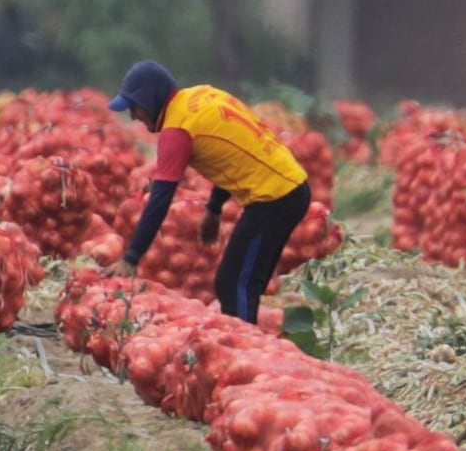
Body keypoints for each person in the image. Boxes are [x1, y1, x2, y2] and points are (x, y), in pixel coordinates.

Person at [115, 57, 316, 324]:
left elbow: (161, 198)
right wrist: (213, 209)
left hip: (274, 198)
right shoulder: (200, 96)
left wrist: (132, 257)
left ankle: (246, 354)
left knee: (235, 284)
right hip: (289, 188)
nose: (134, 117)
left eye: (135, 108)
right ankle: (248, 348)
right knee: (241, 282)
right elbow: (230, 153)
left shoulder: (177, 129)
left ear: (150, 99)